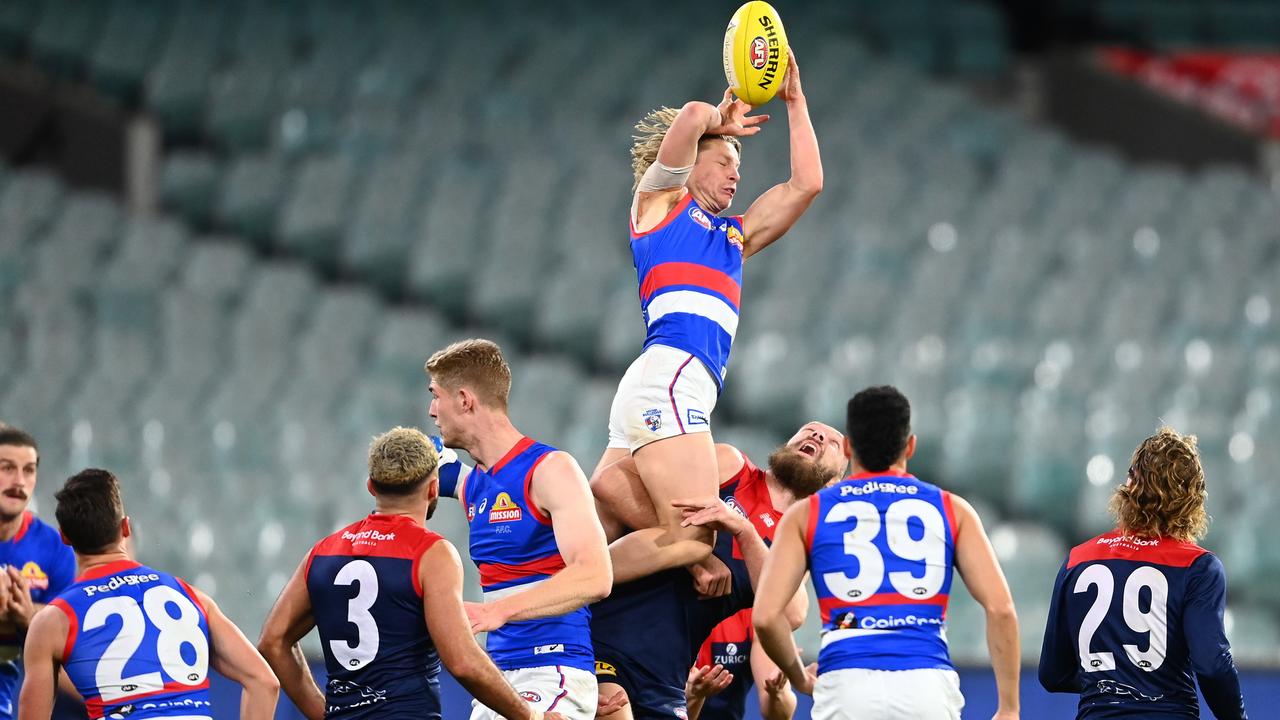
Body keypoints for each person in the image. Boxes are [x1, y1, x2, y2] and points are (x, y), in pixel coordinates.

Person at [598, 50, 823, 587]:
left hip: (657, 385)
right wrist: (716, 120)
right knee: (693, 539)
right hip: (675, 377)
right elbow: (694, 112)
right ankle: (551, 590)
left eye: (739, 169)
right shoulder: (657, 205)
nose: (734, 175)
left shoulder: (732, 238)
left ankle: (556, 592)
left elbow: (806, 184)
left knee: (604, 502)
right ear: (690, 162)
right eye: (723, 162)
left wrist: (796, 103)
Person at [259, 426, 563, 720]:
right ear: (433, 488)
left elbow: (273, 641)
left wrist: (323, 712)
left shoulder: (324, 552)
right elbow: (462, 661)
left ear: (371, 486)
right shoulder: (431, 554)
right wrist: (530, 716)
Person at [755, 386, 1021, 720]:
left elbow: (765, 617)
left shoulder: (808, 513)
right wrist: (1009, 708)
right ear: (910, 445)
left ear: (849, 448)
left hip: (846, 686)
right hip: (926, 687)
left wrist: (797, 676)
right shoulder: (952, 509)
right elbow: (1001, 609)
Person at [591, 421, 846, 719]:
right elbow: (609, 482)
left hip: (666, 676)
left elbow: (789, 613)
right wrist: (693, 554)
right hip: (607, 636)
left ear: (833, 483)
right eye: (809, 429)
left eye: (833, 443)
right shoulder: (730, 466)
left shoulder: (795, 540)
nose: (816, 435)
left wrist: (744, 531)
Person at [425, 339, 612, 720]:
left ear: (464, 400)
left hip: (553, 672)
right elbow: (401, 464)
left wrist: (500, 612)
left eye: (435, 396)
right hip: (497, 680)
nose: (431, 411)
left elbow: (596, 575)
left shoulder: (550, 469)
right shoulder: (472, 483)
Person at [18, 468, 279, 720]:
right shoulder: (192, 597)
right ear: (126, 527)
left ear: (64, 536)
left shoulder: (53, 621)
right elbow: (265, 683)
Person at [1038, 426, 1248, 719]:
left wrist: (1113, 682)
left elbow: (1053, 674)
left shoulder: (1078, 558)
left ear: (1129, 488)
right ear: (1192, 499)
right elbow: (1212, 665)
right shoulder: (1198, 567)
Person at [0, 427, 75, 719]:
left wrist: (27, 614)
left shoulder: (54, 548)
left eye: (28, 470)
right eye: (7, 468)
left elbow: (70, 628)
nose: (19, 481)